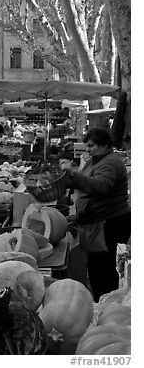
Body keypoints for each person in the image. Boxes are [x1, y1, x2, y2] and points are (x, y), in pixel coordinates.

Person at [59, 127, 130, 302]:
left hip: (110, 224)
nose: (88, 150)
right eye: (87, 146)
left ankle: (106, 305)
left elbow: (101, 186)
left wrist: (73, 175)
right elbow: (88, 182)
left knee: (103, 269)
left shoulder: (111, 162)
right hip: (99, 222)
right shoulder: (97, 160)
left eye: (91, 146)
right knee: (97, 266)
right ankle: (102, 300)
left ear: (105, 144)